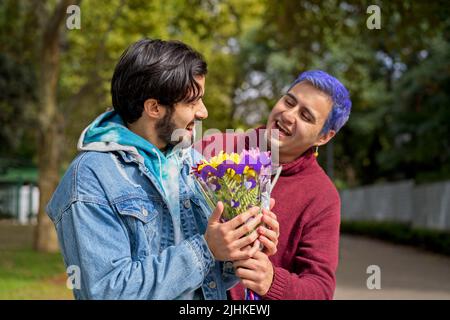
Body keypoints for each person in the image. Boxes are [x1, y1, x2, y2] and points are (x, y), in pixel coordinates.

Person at [46, 39, 278, 300]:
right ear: (154, 107)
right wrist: (206, 249)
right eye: (192, 102)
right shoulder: (90, 178)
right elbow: (107, 292)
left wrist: (243, 242)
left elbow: (211, 278)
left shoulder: (190, 162)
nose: (204, 112)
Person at [198, 70, 352, 299]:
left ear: (324, 137)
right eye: (289, 101)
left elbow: (320, 289)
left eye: (306, 116)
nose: (288, 115)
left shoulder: (322, 196)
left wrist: (272, 281)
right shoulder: (214, 148)